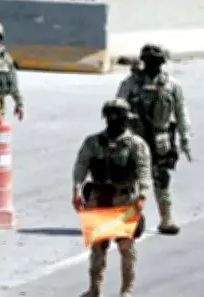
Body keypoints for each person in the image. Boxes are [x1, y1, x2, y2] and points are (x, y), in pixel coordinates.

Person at [73, 98, 152, 297]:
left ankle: (126, 291)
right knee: (97, 248)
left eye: (118, 116)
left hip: (124, 200)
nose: (114, 120)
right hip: (99, 199)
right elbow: (81, 165)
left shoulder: (135, 144)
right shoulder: (93, 142)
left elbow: (144, 170)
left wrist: (143, 194)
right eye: (110, 116)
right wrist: (76, 188)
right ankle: (94, 289)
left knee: (126, 247)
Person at [116, 43, 191, 235]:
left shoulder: (172, 85)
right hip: (136, 137)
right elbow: (118, 107)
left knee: (161, 178)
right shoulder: (130, 84)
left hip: (161, 138)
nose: (152, 64)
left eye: (156, 61)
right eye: (149, 60)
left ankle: (166, 218)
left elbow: (181, 112)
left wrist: (185, 137)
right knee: (130, 179)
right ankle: (131, 219)